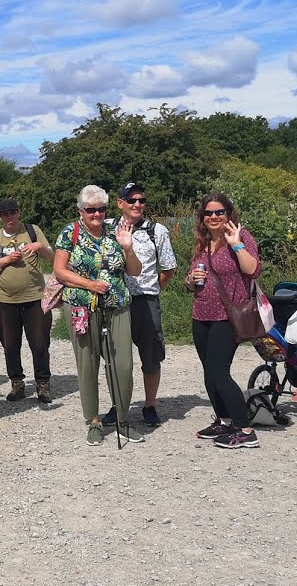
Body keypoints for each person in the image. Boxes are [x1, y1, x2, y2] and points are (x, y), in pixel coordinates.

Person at [52, 185, 144, 446]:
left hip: (117, 305)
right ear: (81, 211)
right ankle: (93, 421)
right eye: (91, 210)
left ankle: (123, 419)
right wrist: (89, 284)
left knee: (123, 364)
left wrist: (128, 248)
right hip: (81, 306)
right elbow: (60, 270)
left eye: (101, 209)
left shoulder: (117, 232)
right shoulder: (69, 233)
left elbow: (135, 271)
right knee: (88, 364)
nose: (97, 214)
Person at [185, 193, 263, 449]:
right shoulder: (202, 243)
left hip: (228, 316)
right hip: (201, 314)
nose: (214, 217)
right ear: (202, 218)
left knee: (219, 371)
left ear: (229, 214)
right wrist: (191, 281)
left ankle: (245, 429)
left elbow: (253, 269)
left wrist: (237, 244)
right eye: (208, 213)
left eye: (219, 212)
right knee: (209, 371)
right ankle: (225, 419)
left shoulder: (241, 236)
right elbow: (191, 280)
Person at [101, 183, 176, 427]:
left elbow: (168, 268)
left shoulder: (157, 231)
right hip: (114, 302)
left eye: (141, 200)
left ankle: (150, 405)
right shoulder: (106, 228)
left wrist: (152, 290)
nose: (137, 205)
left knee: (151, 357)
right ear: (120, 203)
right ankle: (117, 404)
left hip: (145, 301)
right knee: (114, 357)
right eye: (131, 200)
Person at [0, 198, 54, 403]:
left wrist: (40, 246)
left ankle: (43, 384)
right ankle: (17, 383)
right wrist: (6, 260)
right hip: (6, 299)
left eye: (13, 212)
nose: (9, 217)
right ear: (0, 217)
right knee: (10, 345)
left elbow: (51, 259)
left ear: (19, 212)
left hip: (35, 297)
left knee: (39, 343)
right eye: (5, 214)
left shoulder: (32, 231)